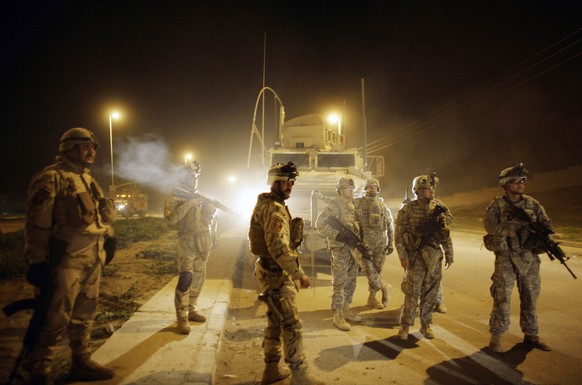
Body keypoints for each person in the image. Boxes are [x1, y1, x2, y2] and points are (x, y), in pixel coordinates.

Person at [22, 127, 117, 384]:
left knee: (84, 314)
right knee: (54, 317)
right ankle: (40, 371)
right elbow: (36, 224)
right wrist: (38, 262)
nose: (91, 151)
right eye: (84, 146)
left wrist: (109, 236)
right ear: (68, 148)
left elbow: (99, 215)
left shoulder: (88, 180)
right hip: (66, 261)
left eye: (93, 147)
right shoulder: (51, 178)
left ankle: (81, 361)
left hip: (92, 258)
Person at [249, 162, 324, 385]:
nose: (291, 186)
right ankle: (299, 375)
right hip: (276, 275)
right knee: (292, 326)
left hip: (268, 271)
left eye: (292, 182)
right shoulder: (274, 209)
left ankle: (270, 371)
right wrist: (298, 273)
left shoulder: (267, 204)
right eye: (289, 182)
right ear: (279, 182)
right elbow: (278, 247)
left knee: (274, 322)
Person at [484, 163, 552, 353]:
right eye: (516, 181)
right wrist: (516, 226)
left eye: (523, 181)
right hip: (506, 258)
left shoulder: (532, 204)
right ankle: (496, 336)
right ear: (506, 184)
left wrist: (542, 238)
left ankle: (531, 335)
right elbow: (491, 227)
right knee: (502, 298)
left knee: (531, 297)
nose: (521, 184)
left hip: (529, 258)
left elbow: (547, 225)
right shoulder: (497, 205)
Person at [395, 173, 453, 340]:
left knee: (431, 293)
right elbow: (399, 236)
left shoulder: (439, 208)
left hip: (434, 256)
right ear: (418, 190)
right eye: (428, 188)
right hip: (416, 257)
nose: (431, 191)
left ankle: (426, 325)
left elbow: (446, 233)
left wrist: (449, 253)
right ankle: (405, 326)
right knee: (412, 293)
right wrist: (403, 256)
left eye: (433, 188)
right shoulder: (408, 209)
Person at [164, 160, 217, 334]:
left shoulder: (199, 196)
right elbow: (170, 219)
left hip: (202, 242)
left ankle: (192, 309)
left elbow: (206, 221)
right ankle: (182, 317)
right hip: (187, 243)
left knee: (199, 278)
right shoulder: (175, 198)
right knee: (186, 278)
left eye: (196, 176)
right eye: (191, 176)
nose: (195, 179)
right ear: (181, 177)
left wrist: (210, 210)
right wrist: (189, 205)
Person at [316, 177, 363, 331]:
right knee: (340, 282)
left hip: (353, 249)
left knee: (351, 281)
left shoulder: (354, 204)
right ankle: (337, 314)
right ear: (341, 189)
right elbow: (320, 224)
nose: (351, 189)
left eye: (352, 187)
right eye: (348, 187)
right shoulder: (335, 205)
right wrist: (336, 235)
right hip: (340, 249)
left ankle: (346, 309)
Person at [354, 178, 394, 309]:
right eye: (370, 187)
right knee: (369, 271)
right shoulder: (358, 202)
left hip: (380, 245)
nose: (372, 189)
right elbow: (343, 204)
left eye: (374, 187)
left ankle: (372, 298)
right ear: (365, 189)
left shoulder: (383, 206)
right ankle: (384, 287)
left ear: (378, 189)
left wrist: (391, 243)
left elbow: (390, 225)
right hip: (365, 245)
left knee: (377, 271)